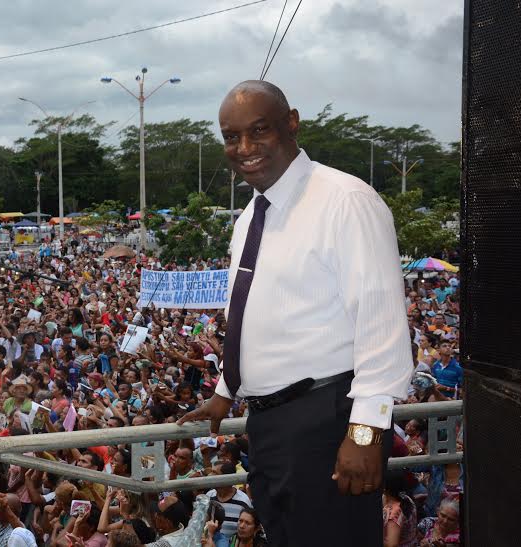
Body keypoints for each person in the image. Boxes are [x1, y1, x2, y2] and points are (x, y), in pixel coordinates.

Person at [179, 80, 412, 546]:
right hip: (269, 425)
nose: (243, 148)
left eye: (258, 130)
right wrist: (227, 389)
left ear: (292, 123)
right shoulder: (250, 216)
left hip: (329, 421)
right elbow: (255, 312)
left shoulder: (345, 201)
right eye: (231, 137)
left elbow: (382, 325)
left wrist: (365, 432)